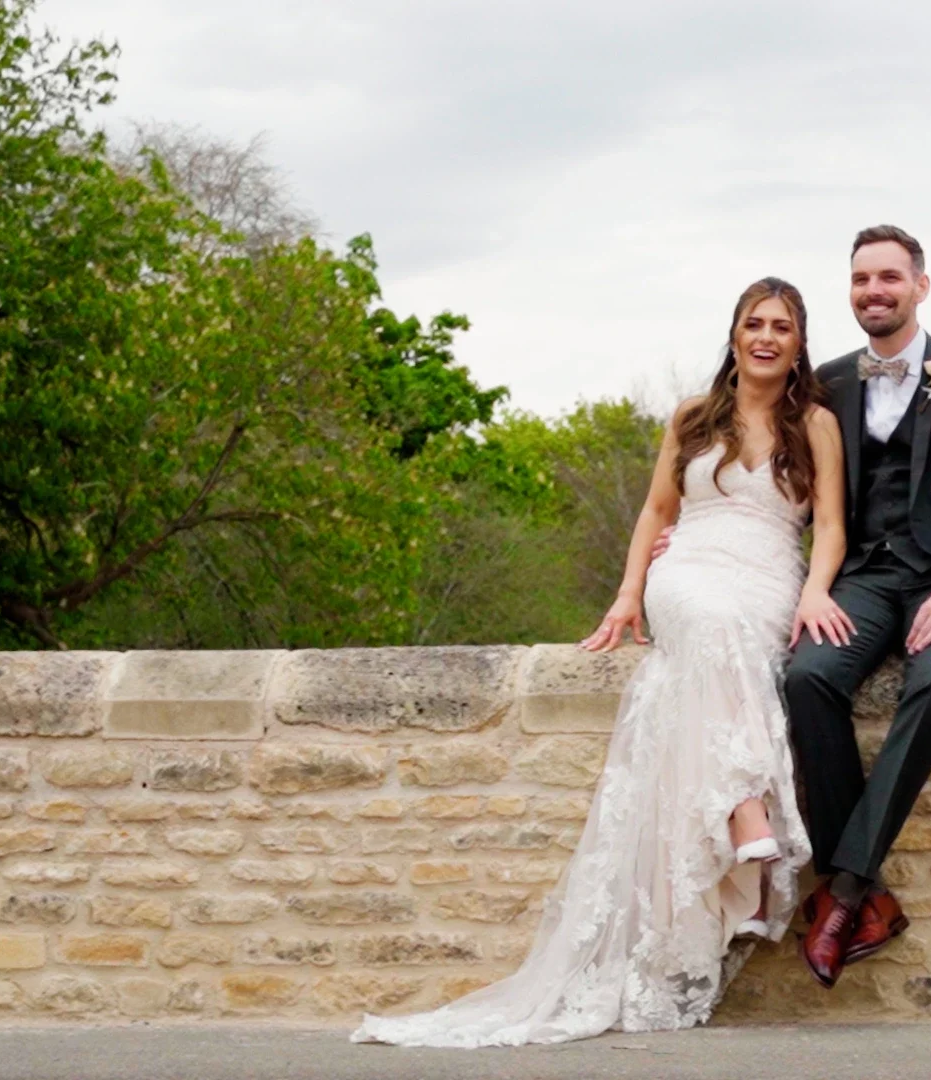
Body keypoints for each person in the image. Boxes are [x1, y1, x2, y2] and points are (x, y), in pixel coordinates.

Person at [351, 277, 850, 1047]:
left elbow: (831, 526)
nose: (766, 337)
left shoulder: (815, 423)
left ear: (798, 341)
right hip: (688, 568)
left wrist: (817, 591)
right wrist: (627, 595)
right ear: (733, 334)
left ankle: (733, 852)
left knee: (725, 644)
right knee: (704, 621)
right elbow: (657, 511)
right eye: (753, 323)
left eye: (781, 326)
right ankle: (745, 818)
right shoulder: (692, 416)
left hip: (767, 576)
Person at [654, 225, 931, 989]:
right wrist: (689, 540)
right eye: (861, 280)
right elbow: (774, 473)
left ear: (920, 285)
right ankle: (866, 894)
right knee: (806, 680)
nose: (874, 292)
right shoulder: (827, 385)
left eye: (890, 278)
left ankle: (846, 889)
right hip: (864, 580)